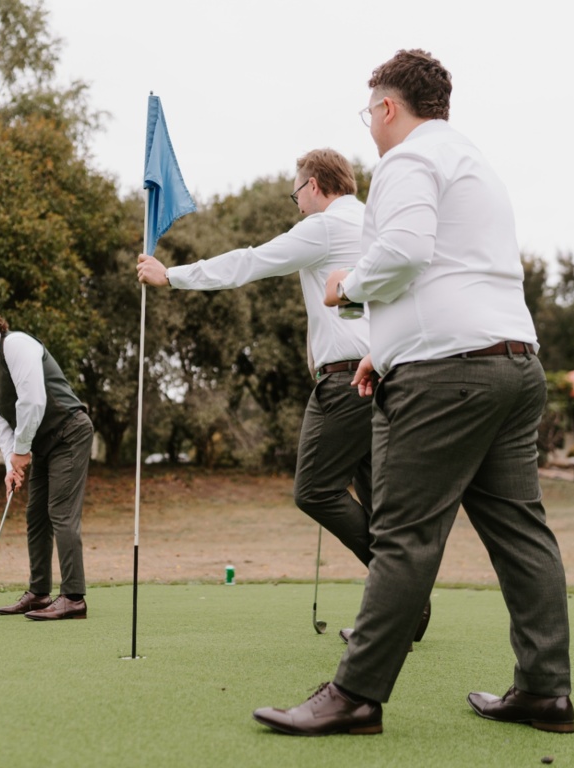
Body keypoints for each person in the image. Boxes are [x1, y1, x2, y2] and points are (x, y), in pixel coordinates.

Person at [253, 49, 574, 736]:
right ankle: (545, 691)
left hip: (446, 379)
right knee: (522, 533)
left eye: (369, 111)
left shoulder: (405, 160)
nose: (369, 125)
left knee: (402, 535)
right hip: (514, 366)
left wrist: (346, 286)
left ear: (388, 106)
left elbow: (403, 253)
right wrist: (383, 348)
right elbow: (452, 273)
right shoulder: (473, 161)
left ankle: (354, 696)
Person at [137, 150, 433, 641]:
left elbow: (251, 261)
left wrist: (172, 275)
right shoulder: (375, 222)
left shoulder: (324, 227)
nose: (296, 203)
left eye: (296, 193)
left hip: (346, 381)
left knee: (314, 489)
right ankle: (402, 612)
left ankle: (404, 592)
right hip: (385, 373)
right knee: (378, 502)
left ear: (314, 185)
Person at [0, 303, 94, 621]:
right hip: (42, 443)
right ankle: (39, 594)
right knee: (36, 515)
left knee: (61, 512)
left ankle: (73, 598)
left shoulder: (17, 344)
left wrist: (22, 450)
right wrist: (10, 466)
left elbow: (32, 400)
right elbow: (4, 421)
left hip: (69, 431)